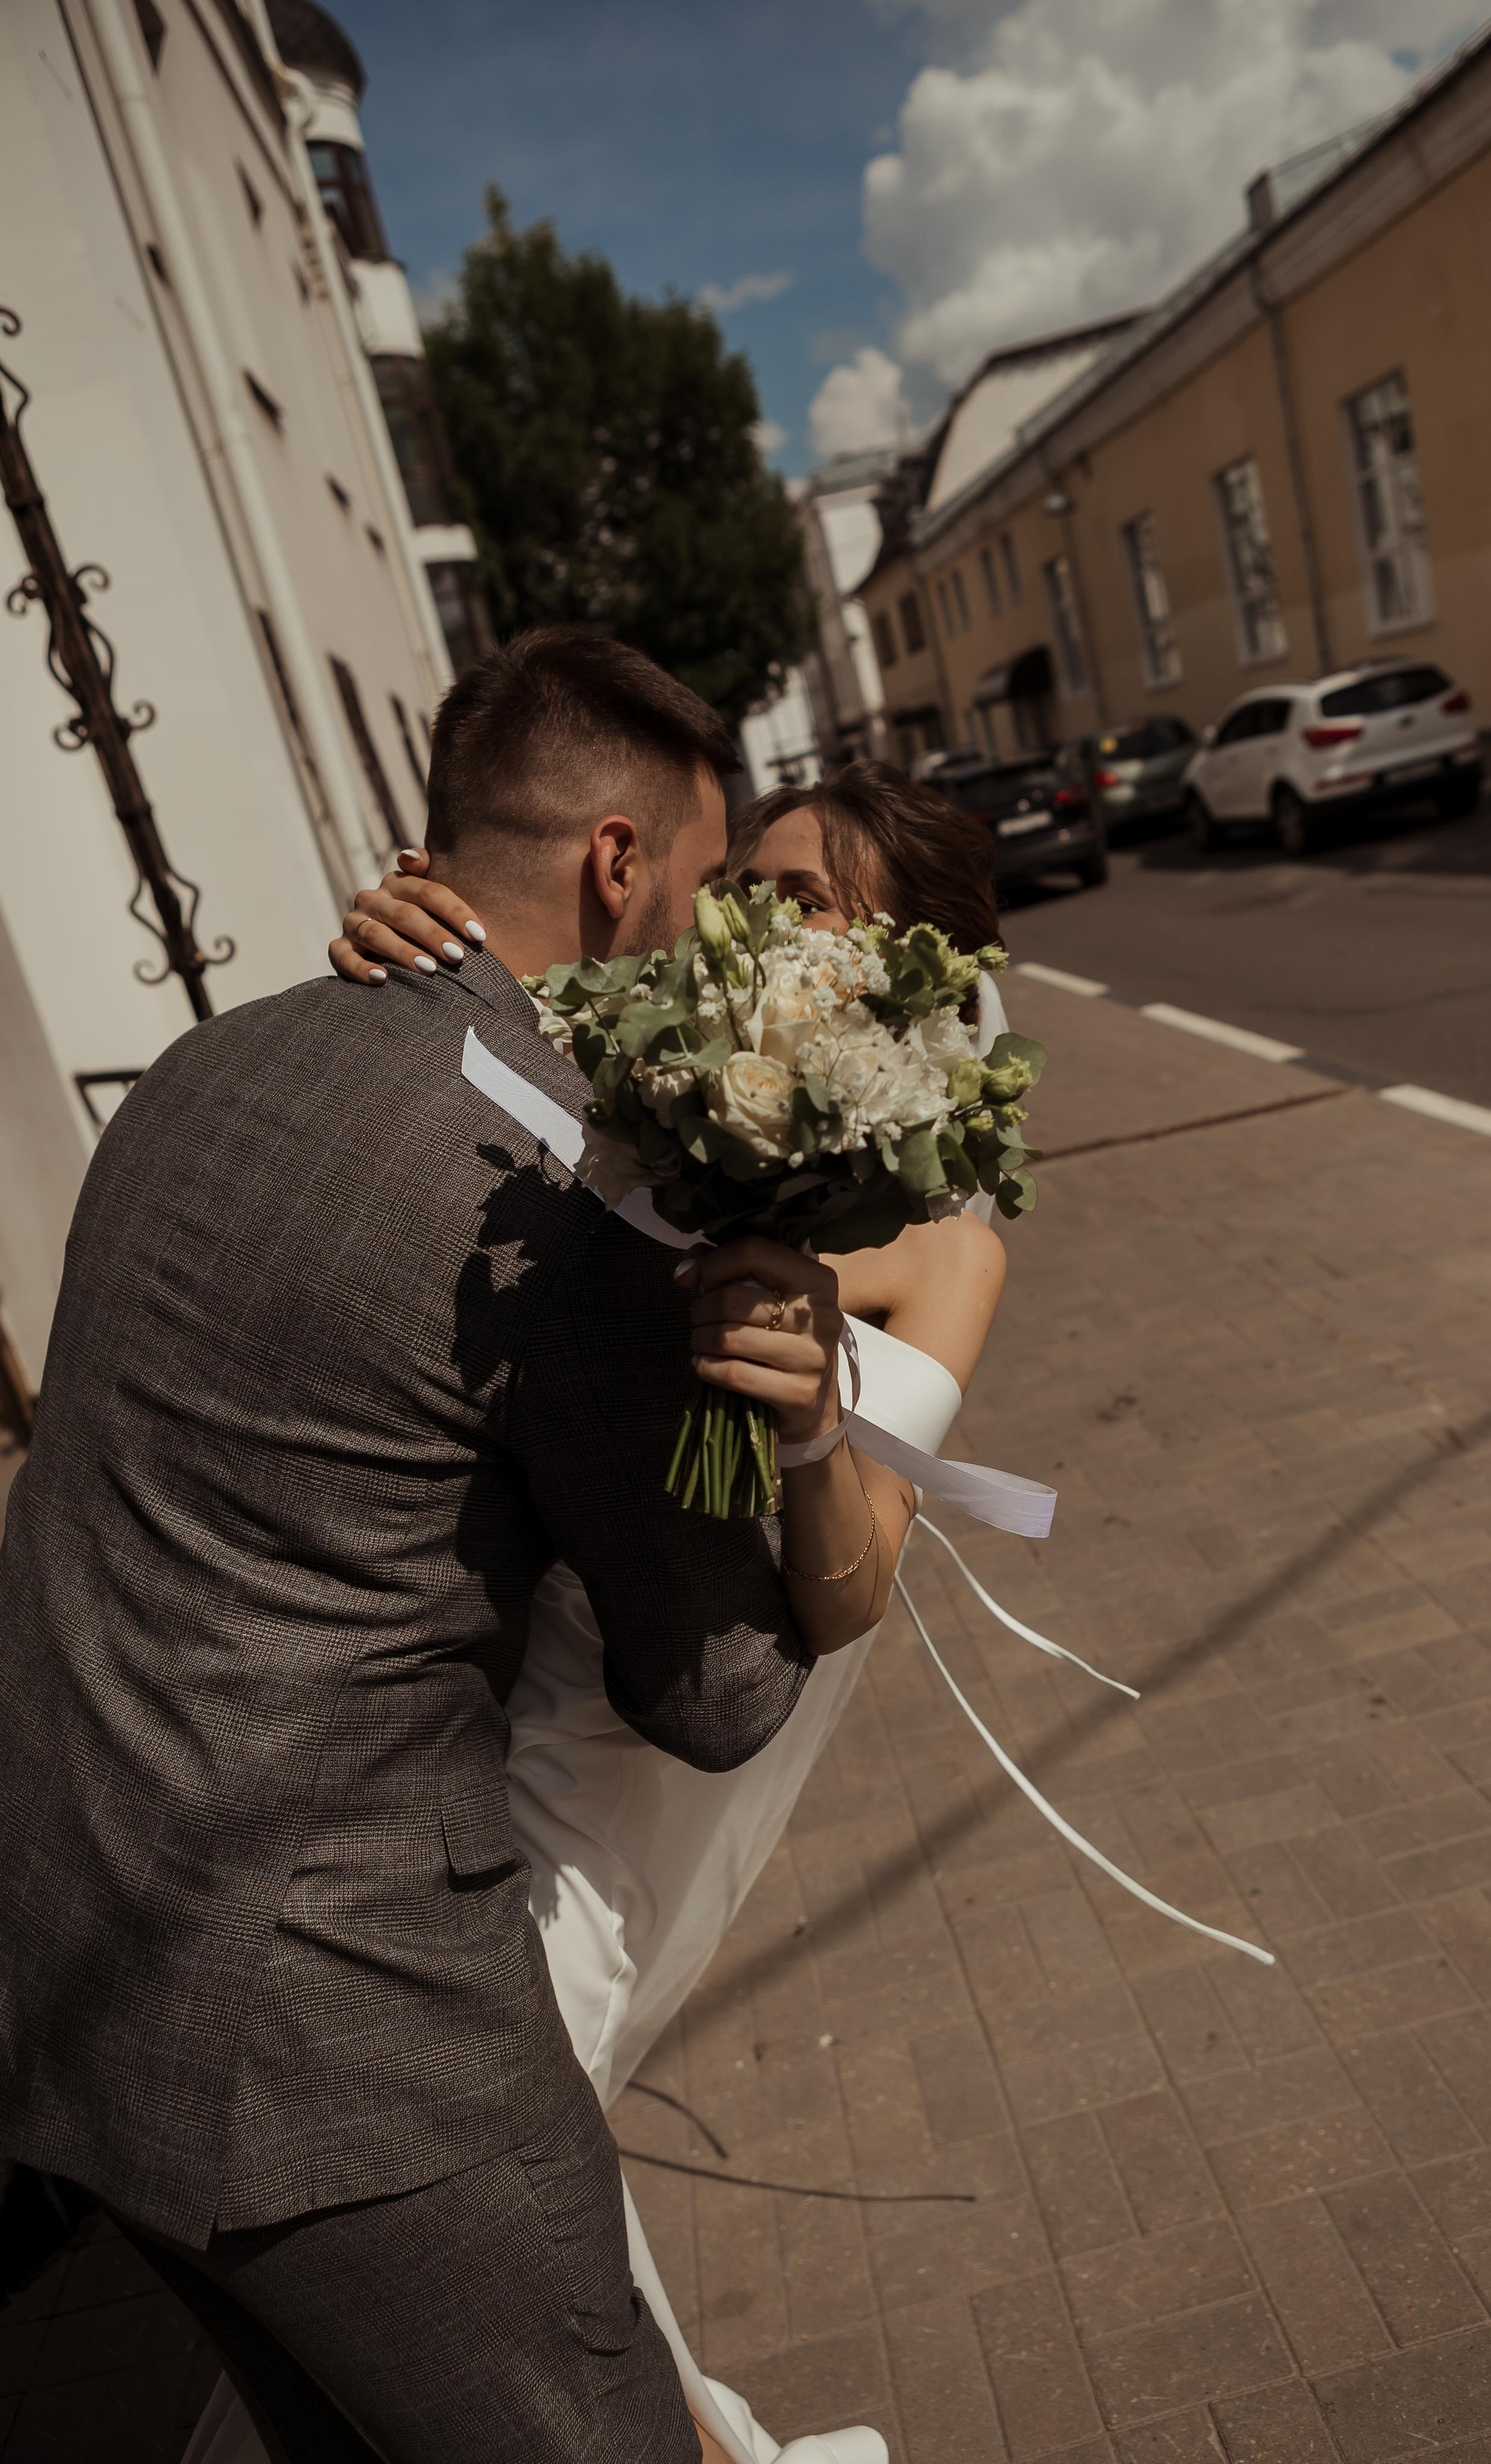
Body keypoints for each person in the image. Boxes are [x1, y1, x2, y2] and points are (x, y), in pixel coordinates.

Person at [0, 630, 902, 2464]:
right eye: (716, 882)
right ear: (618, 865)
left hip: (61, 1975)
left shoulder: (197, 1067)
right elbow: (716, 1695)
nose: (727, 935)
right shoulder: (565, 1193)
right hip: (338, 2040)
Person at [191, 761, 1008, 2464]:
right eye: (745, 893)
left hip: (700, 1736)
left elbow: (852, 1596)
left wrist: (795, 1430)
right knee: (520, 2173)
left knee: (505, 2185)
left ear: (916, 966)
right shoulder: (636, 1104)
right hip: (527, 1715)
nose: (750, 931)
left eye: (806, 904)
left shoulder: (945, 1239)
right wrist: (405, 946)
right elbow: (468, 1083)